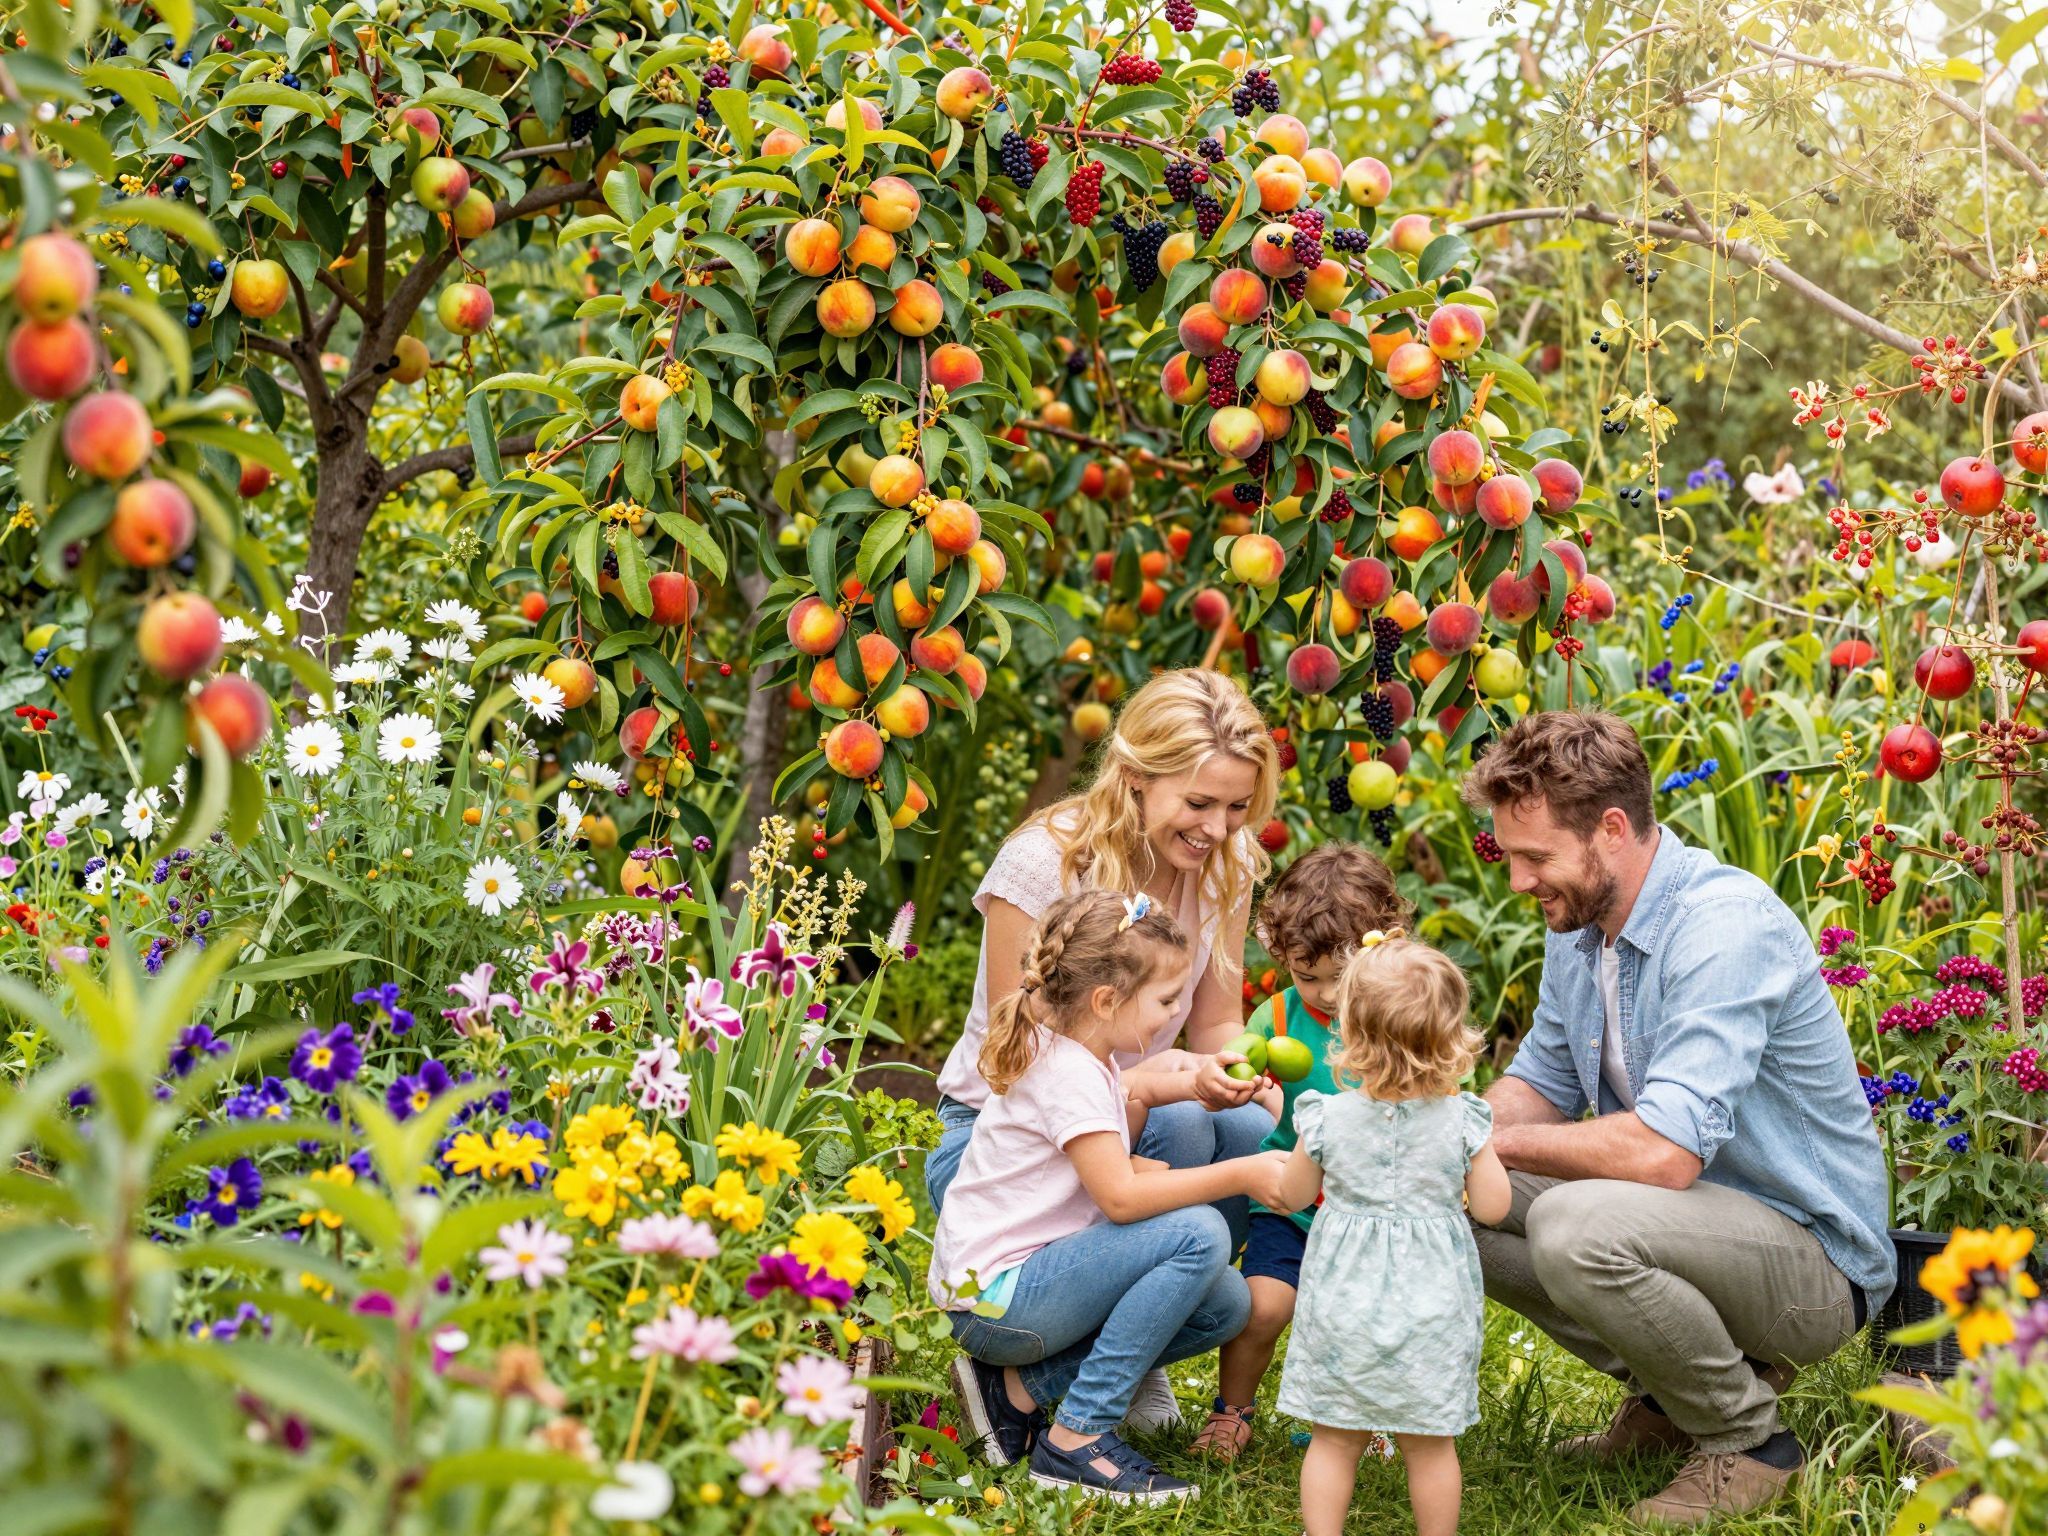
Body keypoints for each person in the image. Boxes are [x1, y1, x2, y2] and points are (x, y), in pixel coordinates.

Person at [1459, 710, 1894, 1527]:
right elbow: (1538, 1080)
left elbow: (1663, 1154)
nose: (1518, 881)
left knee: (1573, 1227)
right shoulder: (1581, 928)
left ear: (1612, 830)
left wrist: (1496, 1143)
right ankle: (1672, 1403)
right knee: (1450, 1191)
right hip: (1689, 1229)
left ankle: (1749, 1443)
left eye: (1534, 857)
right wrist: (1440, 1143)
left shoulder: (1724, 927)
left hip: (1812, 1263)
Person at [924, 667, 1281, 1430]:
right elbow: (1014, 1060)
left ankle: (1125, 1347)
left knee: (1248, 1131)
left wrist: (1248, 1080)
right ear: (1134, 778)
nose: (1218, 829)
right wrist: (1154, 1084)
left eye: (1237, 807)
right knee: (1187, 1139)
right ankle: (1094, 1381)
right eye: (1199, 804)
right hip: (1005, 1146)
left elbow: (1218, 1022)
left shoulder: (1226, 864)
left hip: (1118, 1129)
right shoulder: (1041, 865)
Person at [930, 888, 1291, 1504]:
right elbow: (1120, 1200)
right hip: (995, 1299)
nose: (1173, 1013)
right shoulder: (1069, 1072)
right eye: (1167, 1000)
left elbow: (1104, 1156)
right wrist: (1242, 1177)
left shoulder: (1081, 1055)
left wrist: (1175, 1106)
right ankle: (1077, 1438)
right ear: (1106, 1000)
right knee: (1200, 1232)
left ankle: (1015, 1391)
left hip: (1021, 1290)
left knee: (1225, 1303)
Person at [1268, 935, 1508, 1536]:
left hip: (1345, 1305)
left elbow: (1293, 1196)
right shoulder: (1464, 1120)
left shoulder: (1326, 1116)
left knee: (1333, 1438)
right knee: (1429, 1445)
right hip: (1431, 1309)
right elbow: (1496, 1207)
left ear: (1349, 1032)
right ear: (1452, 1036)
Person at [1192, 841, 1413, 1461]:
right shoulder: (1281, 1016)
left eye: (1338, 978)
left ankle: (1354, 1417)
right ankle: (1230, 1411)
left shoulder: (1400, 1015)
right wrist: (1231, 1079)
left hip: (1374, 1212)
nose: (1321, 992)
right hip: (1293, 1201)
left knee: (1365, 1324)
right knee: (1263, 1307)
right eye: (1304, 973)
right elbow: (1239, 1055)